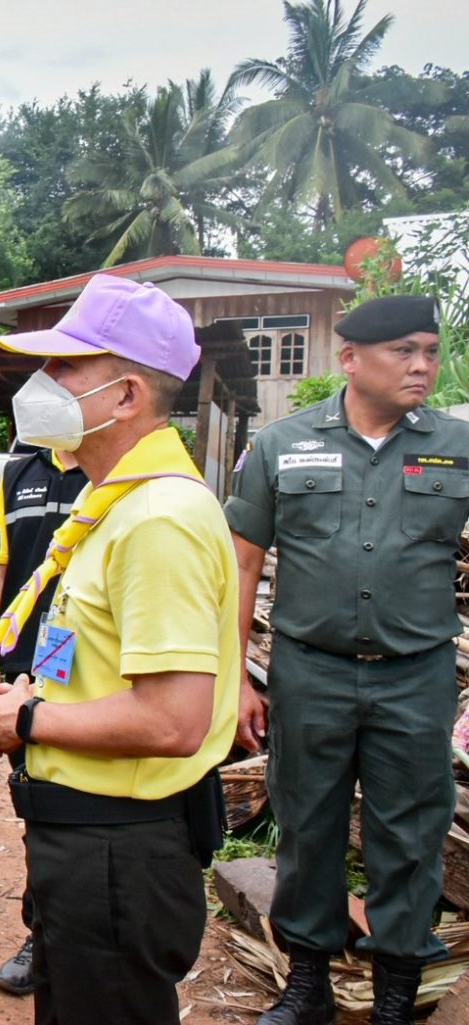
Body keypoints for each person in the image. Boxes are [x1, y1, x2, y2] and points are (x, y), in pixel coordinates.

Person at [0, 274, 239, 1025]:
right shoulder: (109, 500)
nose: (41, 383)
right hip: (86, 833)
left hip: (121, 847)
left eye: (65, 368)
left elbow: (174, 720)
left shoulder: (157, 519)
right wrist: (33, 695)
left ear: (125, 396)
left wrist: (26, 723)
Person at [225, 295, 468, 1025]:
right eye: (404, 350)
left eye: (429, 349)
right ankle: (308, 986)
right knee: (307, 824)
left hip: (416, 673)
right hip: (311, 671)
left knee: (411, 832)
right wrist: (236, 675)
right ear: (352, 358)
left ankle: (396, 992)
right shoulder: (280, 444)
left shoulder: (456, 447)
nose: (422, 364)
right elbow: (241, 566)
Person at [0, 442, 87, 997]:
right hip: (24, 660)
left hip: (85, 664)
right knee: (35, 800)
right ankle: (39, 932)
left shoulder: (110, 464)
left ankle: (70, 931)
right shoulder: (18, 473)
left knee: (79, 802)